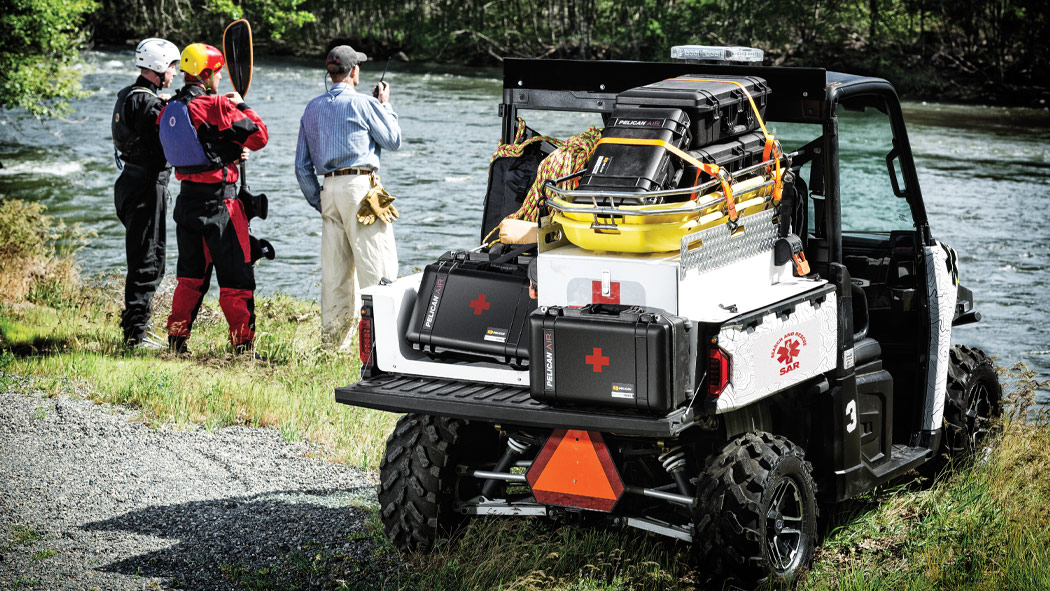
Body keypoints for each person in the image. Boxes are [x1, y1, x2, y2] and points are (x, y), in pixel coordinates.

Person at [158, 43, 268, 354]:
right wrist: (242, 105)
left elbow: (198, 144)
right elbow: (260, 135)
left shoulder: (170, 108)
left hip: (187, 203)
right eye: (217, 74)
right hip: (222, 205)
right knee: (236, 276)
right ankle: (242, 348)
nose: (219, 80)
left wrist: (231, 148)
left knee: (190, 278)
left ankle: (176, 343)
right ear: (206, 75)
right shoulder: (217, 105)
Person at [295, 45, 402, 350]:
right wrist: (385, 105)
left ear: (330, 72)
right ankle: (383, 345)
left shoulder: (311, 108)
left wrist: (320, 200)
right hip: (361, 188)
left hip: (328, 190)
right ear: (354, 71)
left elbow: (301, 167)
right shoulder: (365, 104)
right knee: (376, 266)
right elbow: (393, 140)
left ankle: (333, 346)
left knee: (335, 273)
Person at [111, 38, 181, 347]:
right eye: (172, 68)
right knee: (148, 261)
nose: (175, 73)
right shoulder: (149, 103)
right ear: (158, 67)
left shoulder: (130, 95)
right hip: (145, 188)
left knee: (143, 256)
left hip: (129, 182)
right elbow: (168, 141)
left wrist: (164, 104)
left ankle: (135, 328)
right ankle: (135, 336)